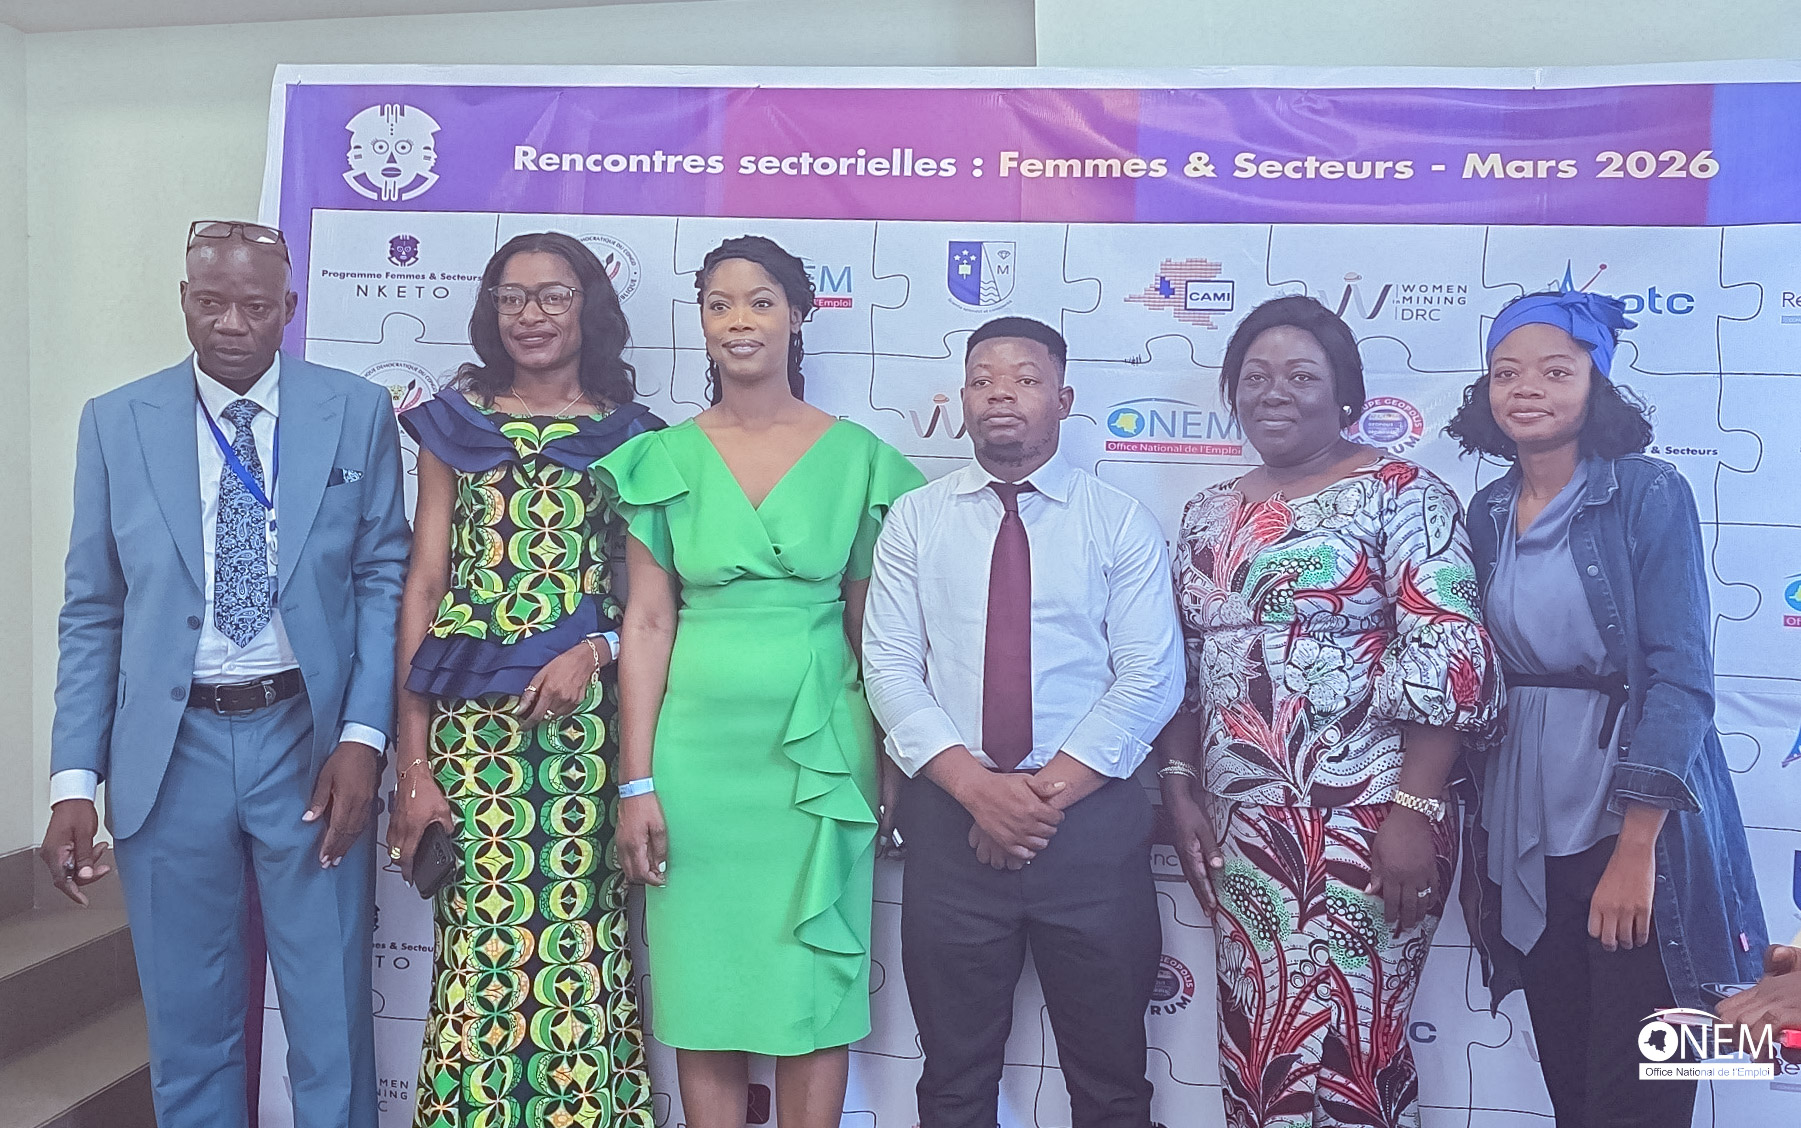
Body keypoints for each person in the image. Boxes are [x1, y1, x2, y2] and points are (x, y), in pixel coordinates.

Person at [38, 220, 409, 1128]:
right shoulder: (116, 421)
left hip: (307, 744)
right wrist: (73, 779)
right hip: (170, 754)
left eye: (254, 306)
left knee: (329, 1016)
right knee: (188, 1020)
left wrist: (364, 739)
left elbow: (381, 582)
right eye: (210, 303)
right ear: (183, 300)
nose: (231, 325)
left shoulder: (354, 410)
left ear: (289, 307)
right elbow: (93, 608)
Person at [596, 235, 923, 1128]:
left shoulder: (859, 459)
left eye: (761, 301)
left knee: (813, 981)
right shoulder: (663, 457)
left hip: (820, 756)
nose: (739, 321)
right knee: (703, 985)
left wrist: (891, 755)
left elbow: (871, 629)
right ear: (700, 323)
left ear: (799, 316)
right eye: (719, 304)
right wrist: (636, 781)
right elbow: (647, 622)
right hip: (695, 761)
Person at [1156, 295, 1501, 1128]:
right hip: (1244, 827)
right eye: (1254, 377)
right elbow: (1182, 666)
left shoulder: (1403, 494)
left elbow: (1446, 651)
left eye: (1300, 376)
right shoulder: (1206, 511)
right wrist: (1178, 783)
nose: (1273, 393)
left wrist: (1414, 808)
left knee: (1353, 1048)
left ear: (1346, 394)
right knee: (1260, 1043)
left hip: (1374, 817)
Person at [1446, 285, 1767, 1128]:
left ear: (1597, 384)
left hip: (1629, 826)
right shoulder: (1485, 512)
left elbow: (1681, 678)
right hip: (1523, 822)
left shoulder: (1646, 492)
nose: (1527, 387)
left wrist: (1635, 850)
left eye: (1556, 370)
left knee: (1638, 1099)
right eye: (1506, 371)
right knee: (1572, 1091)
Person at [862, 316, 1184, 1128]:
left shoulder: (1118, 521)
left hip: (1088, 828)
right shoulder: (914, 520)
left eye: (1025, 379)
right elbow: (889, 668)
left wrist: (1036, 800)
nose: (1000, 393)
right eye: (982, 380)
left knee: (1111, 1084)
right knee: (953, 1082)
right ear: (962, 401)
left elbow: (1151, 678)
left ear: (1063, 400)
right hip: (951, 824)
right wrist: (978, 792)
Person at [384, 232, 661, 1128]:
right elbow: (425, 586)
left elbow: (654, 605)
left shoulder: (634, 439)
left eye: (552, 296)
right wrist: (413, 765)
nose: (531, 315)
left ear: (588, 307)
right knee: (477, 958)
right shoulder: (450, 428)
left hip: (587, 738)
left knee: (584, 952)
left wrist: (596, 652)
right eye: (512, 297)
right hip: (470, 738)